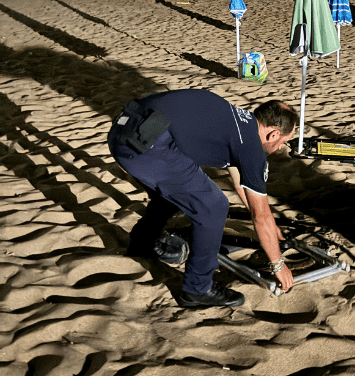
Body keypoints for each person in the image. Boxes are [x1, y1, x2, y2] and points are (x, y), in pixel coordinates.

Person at [107, 89, 298, 308]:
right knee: (213, 206)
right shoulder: (251, 148)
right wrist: (278, 264)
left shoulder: (240, 122)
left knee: (177, 192)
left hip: (123, 131)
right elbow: (260, 214)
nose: (281, 147)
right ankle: (197, 289)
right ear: (273, 134)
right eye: (284, 141)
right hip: (146, 146)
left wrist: (272, 229)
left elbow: (241, 184)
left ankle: (142, 244)